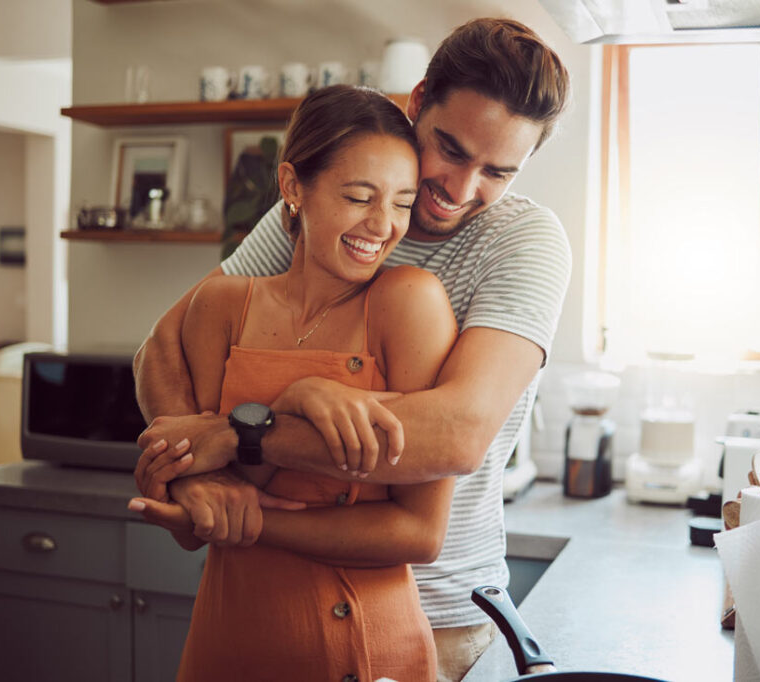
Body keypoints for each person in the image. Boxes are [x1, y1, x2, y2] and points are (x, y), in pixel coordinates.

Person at [131, 17, 572, 682]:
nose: (459, 188)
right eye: (450, 150)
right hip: (270, 597)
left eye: (497, 172)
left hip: (437, 614)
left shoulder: (524, 243)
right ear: (418, 102)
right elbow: (163, 349)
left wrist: (242, 435)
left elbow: (454, 434)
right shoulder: (336, 211)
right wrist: (204, 480)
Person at [145, 85, 459, 680]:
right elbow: (206, 511)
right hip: (229, 640)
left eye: (401, 202)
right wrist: (191, 491)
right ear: (292, 186)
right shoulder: (220, 306)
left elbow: (419, 533)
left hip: (368, 648)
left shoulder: (409, 303)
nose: (382, 225)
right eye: (359, 196)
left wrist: (252, 520)